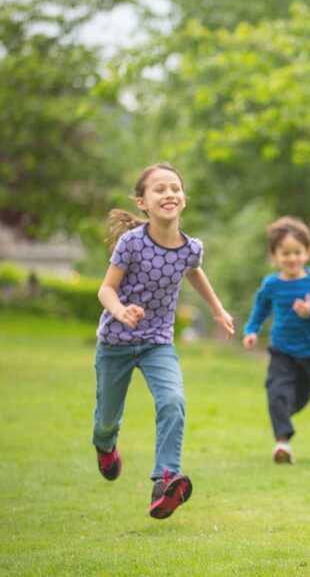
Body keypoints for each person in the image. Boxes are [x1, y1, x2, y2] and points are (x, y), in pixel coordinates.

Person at [93, 162, 235, 519]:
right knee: (107, 419)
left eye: (175, 187)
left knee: (172, 401)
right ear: (143, 202)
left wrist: (218, 309)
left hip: (158, 341)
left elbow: (194, 273)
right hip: (115, 341)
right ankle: (105, 444)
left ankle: (166, 479)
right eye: (159, 189)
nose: (169, 193)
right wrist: (121, 310)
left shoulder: (191, 248)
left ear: (183, 198)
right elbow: (106, 288)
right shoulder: (132, 243)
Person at [243, 216, 310, 464]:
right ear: (274, 256)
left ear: (307, 252)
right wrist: (252, 330)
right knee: (276, 391)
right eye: (285, 253)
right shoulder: (271, 284)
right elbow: (260, 309)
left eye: (297, 252)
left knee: (300, 398)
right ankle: (282, 444)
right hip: (281, 349)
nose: (292, 258)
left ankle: (282, 414)